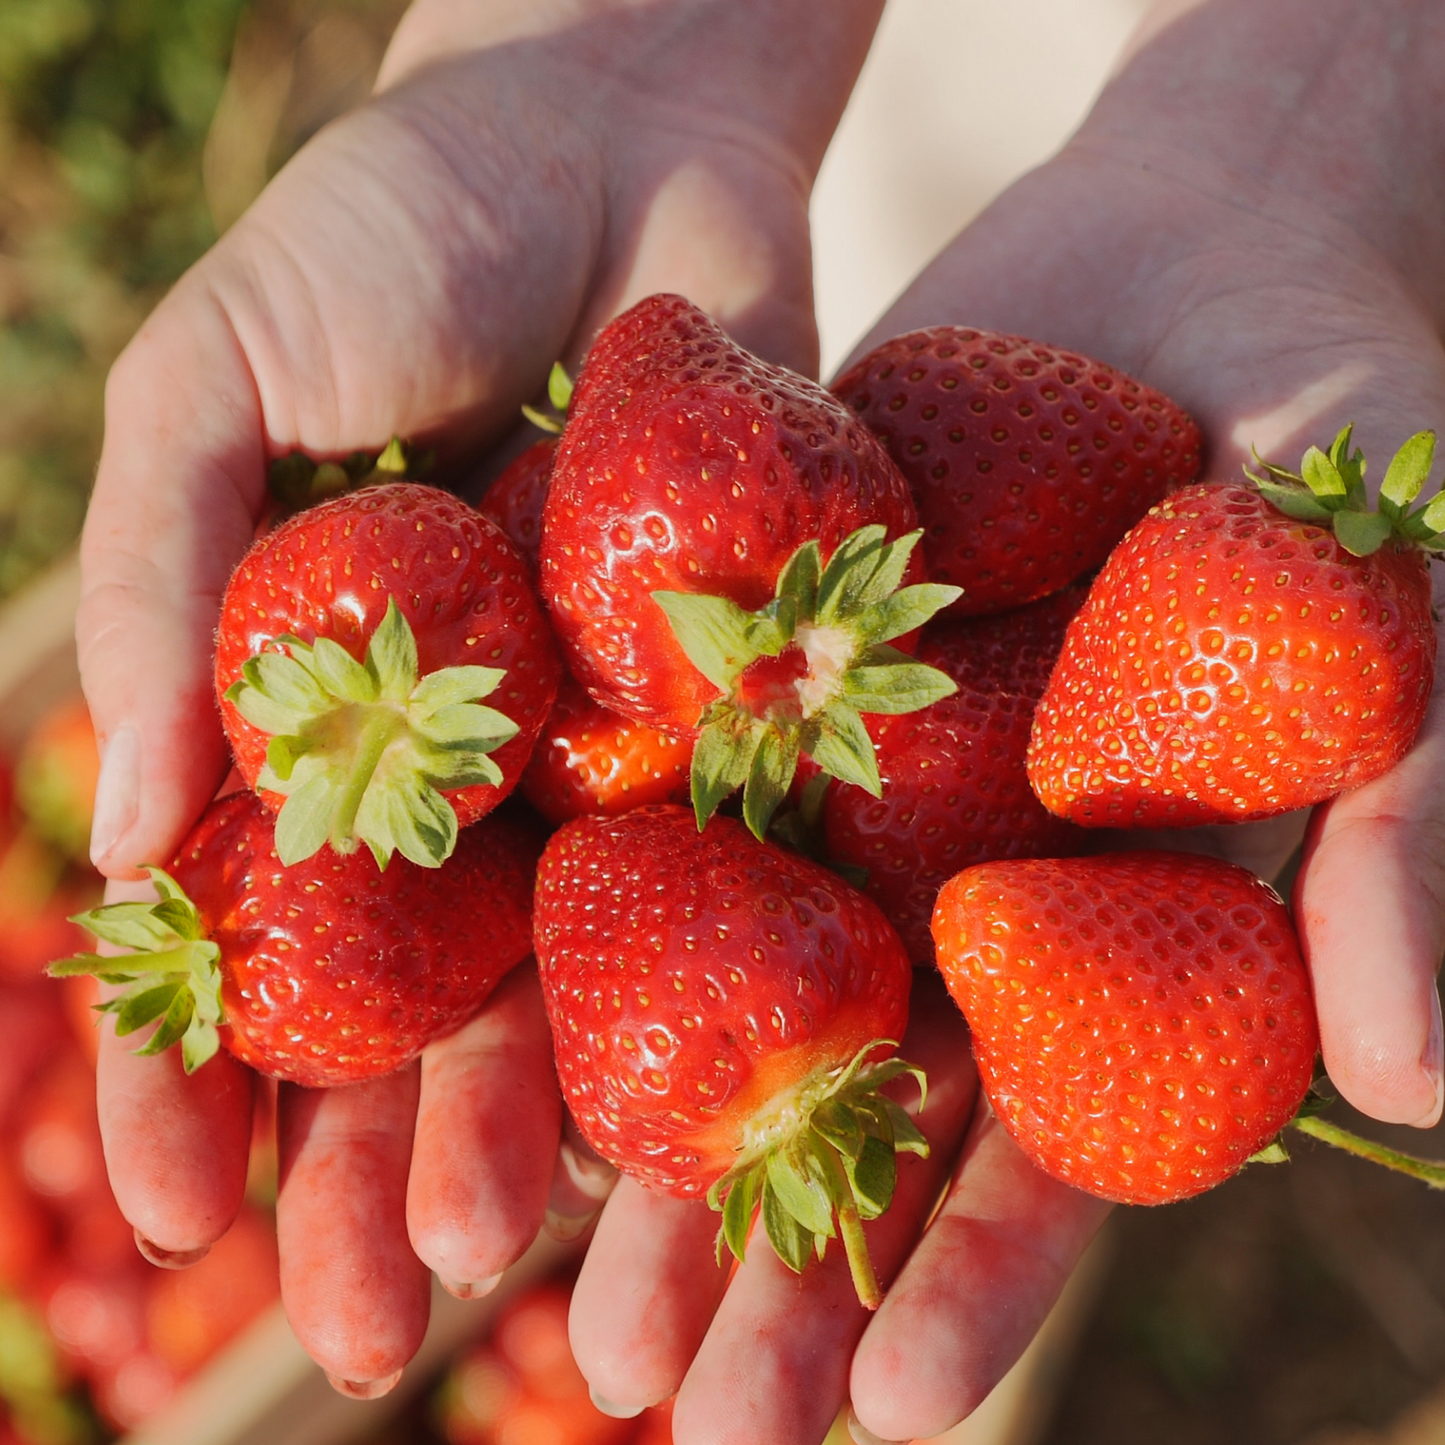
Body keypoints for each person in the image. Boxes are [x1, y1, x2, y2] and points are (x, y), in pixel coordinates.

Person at [78, 1, 1445, 1440]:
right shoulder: (765, 631)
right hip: (838, 291)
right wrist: (619, 49)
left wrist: (1316, 115)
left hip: (981, 330)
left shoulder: (793, 631)